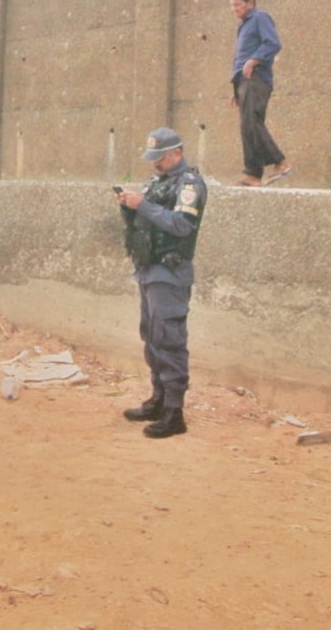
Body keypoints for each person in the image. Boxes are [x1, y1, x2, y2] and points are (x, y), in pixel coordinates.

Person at [116, 127, 207, 439]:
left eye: (160, 158)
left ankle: (174, 411)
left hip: (170, 271)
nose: (155, 164)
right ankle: (158, 399)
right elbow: (145, 220)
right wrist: (128, 205)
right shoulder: (158, 182)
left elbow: (181, 224)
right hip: (149, 269)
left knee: (169, 338)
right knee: (152, 336)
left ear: (177, 154)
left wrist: (142, 204)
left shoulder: (189, 184)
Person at [228, 0, 292, 186]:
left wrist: (254, 60)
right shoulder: (243, 26)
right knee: (246, 125)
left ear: (250, 2)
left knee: (252, 121)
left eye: (238, 5)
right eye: (232, 6)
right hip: (244, 81)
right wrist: (235, 87)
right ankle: (253, 174)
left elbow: (273, 43)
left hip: (257, 79)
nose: (234, 9)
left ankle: (280, 162)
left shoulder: (259, 18)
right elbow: (239, 58)